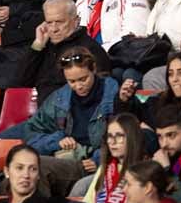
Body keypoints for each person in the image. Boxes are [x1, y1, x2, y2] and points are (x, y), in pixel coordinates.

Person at [22, 47, 119, 193]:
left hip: (98, 164)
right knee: (19, 170)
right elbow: (30, 134)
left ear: (93, 69)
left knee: (37, 167)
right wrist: (56, 141)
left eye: (83, 79)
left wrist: (99, 159)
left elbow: (125, 134)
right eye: (71, 81)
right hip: (69, 160)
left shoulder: (113, 95)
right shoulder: (59, 99)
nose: (78, 86)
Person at [14, 0, 112, 105]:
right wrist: (37, 46)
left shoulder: (90, 49)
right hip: (44, 115)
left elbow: (99, 92)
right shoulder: (43, 47)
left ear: (76, 21)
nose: (54, 29)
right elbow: (20, 82)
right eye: (49, 23)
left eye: (60, 22)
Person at [77, 113, 143, 203]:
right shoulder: (106, 167)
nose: (112, 142)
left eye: (119, 136)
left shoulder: (143, 170)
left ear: (132, 137)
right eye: (110, 136)